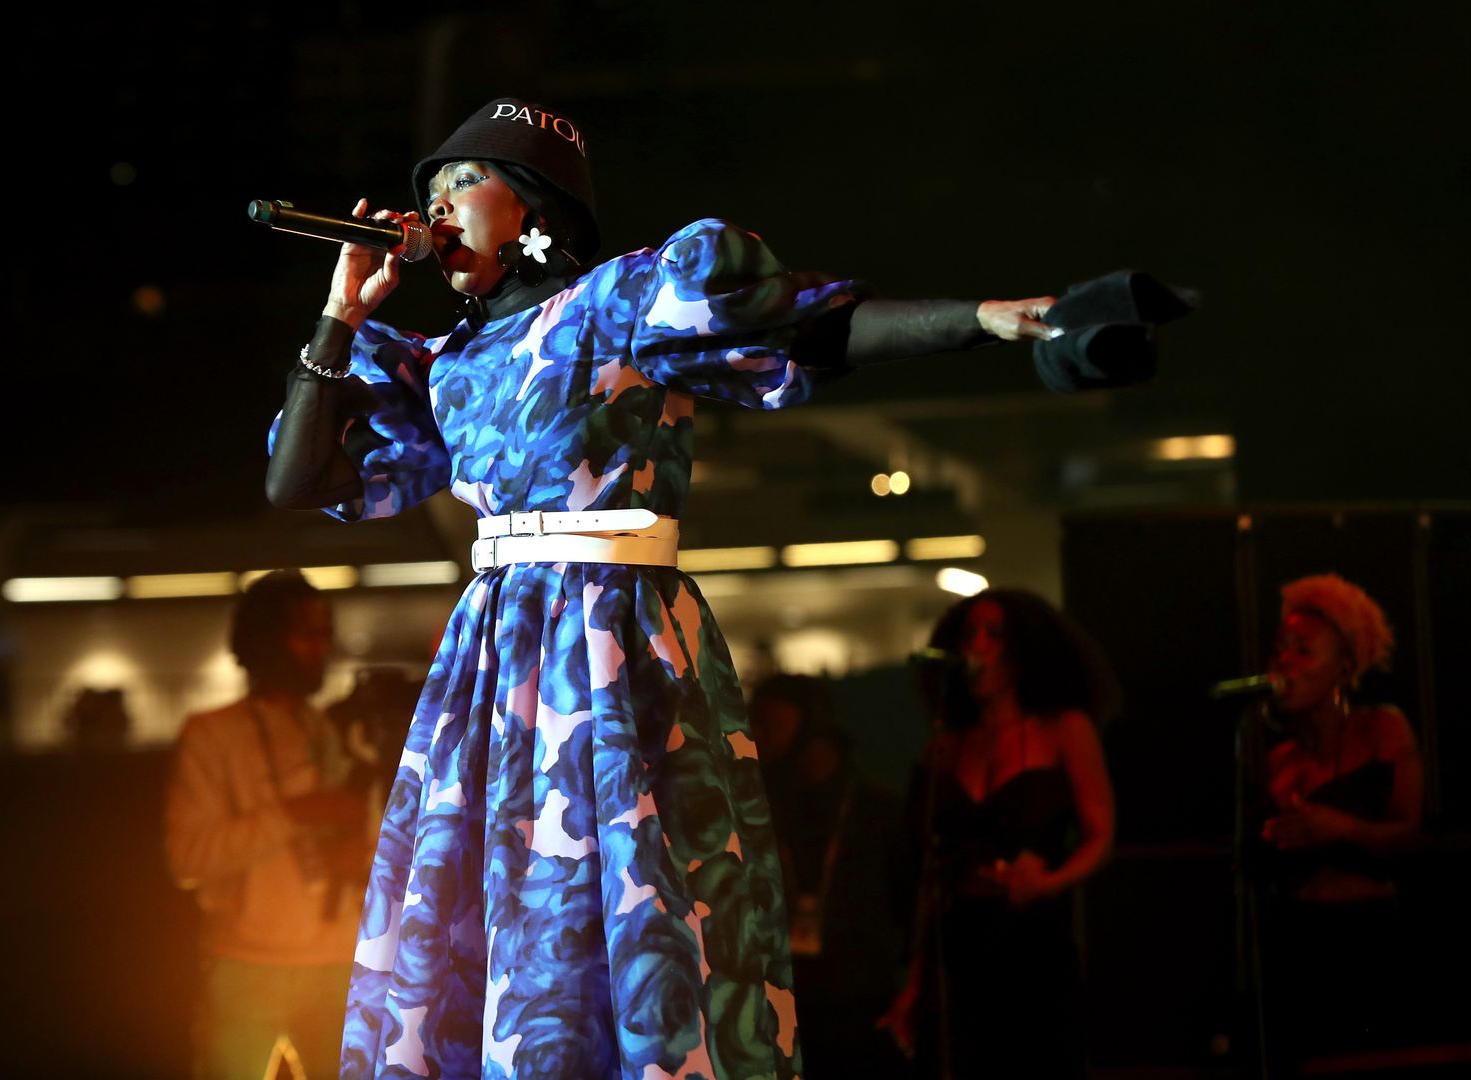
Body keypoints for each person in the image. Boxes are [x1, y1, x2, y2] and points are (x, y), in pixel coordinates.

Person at [265, 96, 1129, 1079]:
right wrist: (341, 315)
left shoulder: (619, 306)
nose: (438, 208)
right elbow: (298, 480)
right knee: (493, 913)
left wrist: (985, 320)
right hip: (498, 664)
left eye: (464, 182)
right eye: (430, 192)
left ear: (536, 208)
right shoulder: (448, 367)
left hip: (608, 637)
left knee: (630, 907)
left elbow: (811, 328)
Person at [880, 589, 1118, 1078]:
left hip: (1034, 943)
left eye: (995, 635)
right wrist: (914, 984)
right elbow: (929, 875)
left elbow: (1100, 833)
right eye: (969, 635)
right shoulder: (945, 747)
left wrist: (1050, 881)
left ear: (1023, 650)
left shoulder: (1064, 729)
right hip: (959, 945)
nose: (978, 647)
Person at [162, 570, 372, 1079]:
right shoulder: (211, 735)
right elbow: (188, 858)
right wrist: (298, 813)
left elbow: (372, 837)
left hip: (338, 961)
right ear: (262, 641)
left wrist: (359, 851)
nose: (320, 649)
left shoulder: (330, 730)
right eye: (306, 635)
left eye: (325, 635)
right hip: (244, 965)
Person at [1257, 573, 1422, 1062]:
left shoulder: (1382, 729)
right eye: (1278, 648)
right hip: (1299, 941)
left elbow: (1411, 836)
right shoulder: (1278, 761)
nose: (1284, 661)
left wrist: (1338, 829)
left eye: (1303, 650)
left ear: (1344, 668)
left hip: (1370, 940)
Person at [750, 674, 909, 1079]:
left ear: (813, 726)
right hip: (784, 1003)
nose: (757, 735)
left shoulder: (879, 813)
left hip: (863, 1006)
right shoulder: (759, 809)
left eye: (771, 723)